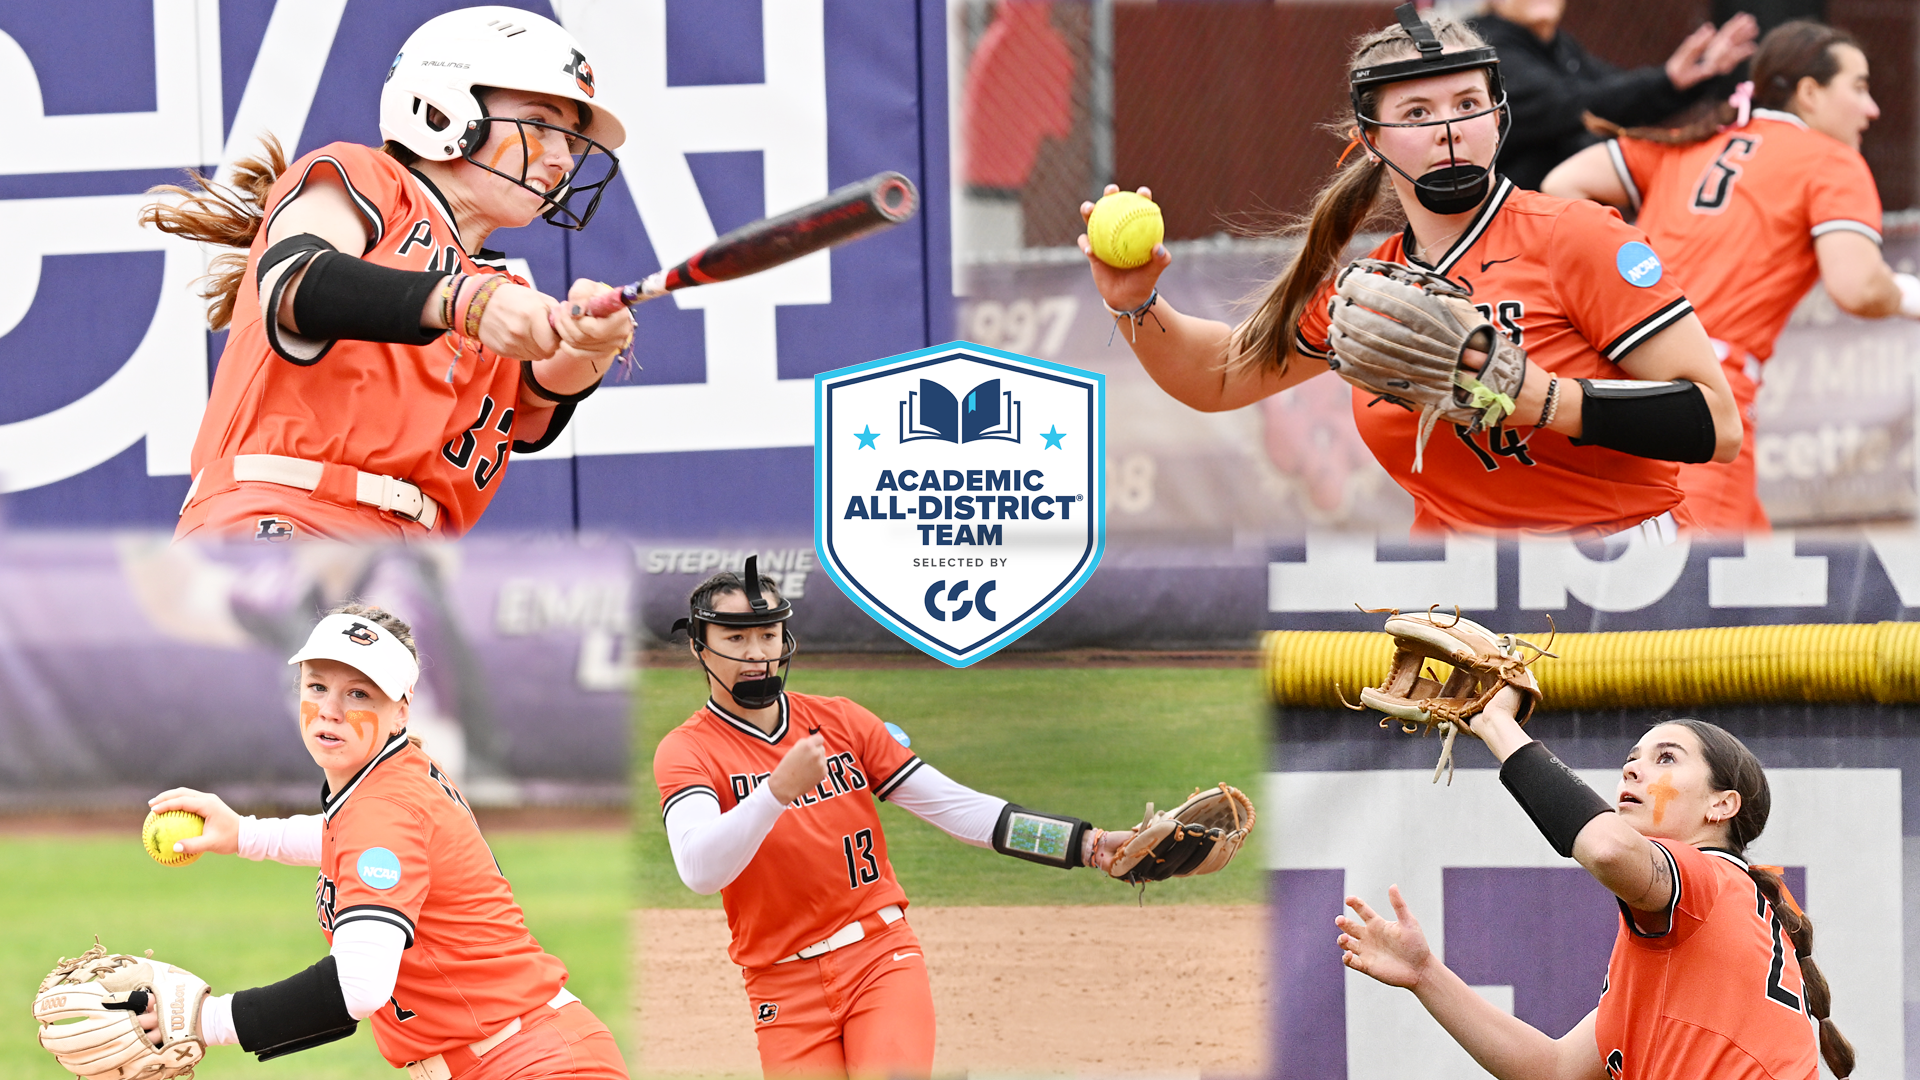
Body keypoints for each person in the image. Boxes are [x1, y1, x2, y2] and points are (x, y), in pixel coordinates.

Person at [1083, 5, 1741, 538]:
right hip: (1459, 593)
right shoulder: (1369, 292)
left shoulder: (1577, 235)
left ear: (1498, 117)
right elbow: (1222, 375)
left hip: (1613, 563)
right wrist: (1138, 304)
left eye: (1466, 103)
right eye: (1418, 114)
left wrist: (1540, 398)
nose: (1449, 129)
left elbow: (1715, 424)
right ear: (1371, 140)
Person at [142, 6, 635, 542]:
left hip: (410, 562)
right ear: (442, 110)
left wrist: (594, 342)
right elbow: (295, 283)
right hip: (285, 515)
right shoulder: (369, 176)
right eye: (541, 123)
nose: (563, 158)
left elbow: (537, 400)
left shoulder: (500, 292)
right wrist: (464, 302)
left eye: (571, 138)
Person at [651, 559, 1146, 1079]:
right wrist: (775, 792)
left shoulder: (841, 721)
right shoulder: (687, 751)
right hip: (780, 985)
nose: (756, 654)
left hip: (879, 959)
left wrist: (1085, 844)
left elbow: (960, 810)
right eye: (735, 637)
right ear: (698, 645)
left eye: (768, 635)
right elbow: (700, 870)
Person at [139, 604, 627, 1078]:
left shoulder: (383, 811)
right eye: (317, 686)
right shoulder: (389, 781)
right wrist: (245, 834)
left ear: (400, 711)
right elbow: (347, 841)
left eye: (359, 695)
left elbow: (357, 986)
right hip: (517, 1052)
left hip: (536, 1063)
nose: (329, 710)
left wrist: (205, 1020)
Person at [1335, 690, 1854, 1079]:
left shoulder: (1707, 880)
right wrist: (1425, 974)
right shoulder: (1720, 913)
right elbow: (1555, 1069)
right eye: (1633, 757)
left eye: (1666, 758)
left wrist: (1497, 724)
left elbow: (1606, 848)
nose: (1633, 767)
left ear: (1722, 805)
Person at [1541, 20, 1920, 532]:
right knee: (1704, 596)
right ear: (1809, 93)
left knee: (1756, 576)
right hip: (1701, 395)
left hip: (1616, 370)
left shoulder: (1697, 140)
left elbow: (1562, 182)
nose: (1872, 108)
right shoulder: (1832, 160)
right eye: (1858, 87)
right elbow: (1857, 286)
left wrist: (1629, 264)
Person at [1470, 0, 1756, 190]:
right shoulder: (1484, 46)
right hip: (1516, 224)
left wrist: (1690, 76)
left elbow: (1618, 95)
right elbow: (1572, 104)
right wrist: (1669, 80)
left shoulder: (1558, 44)